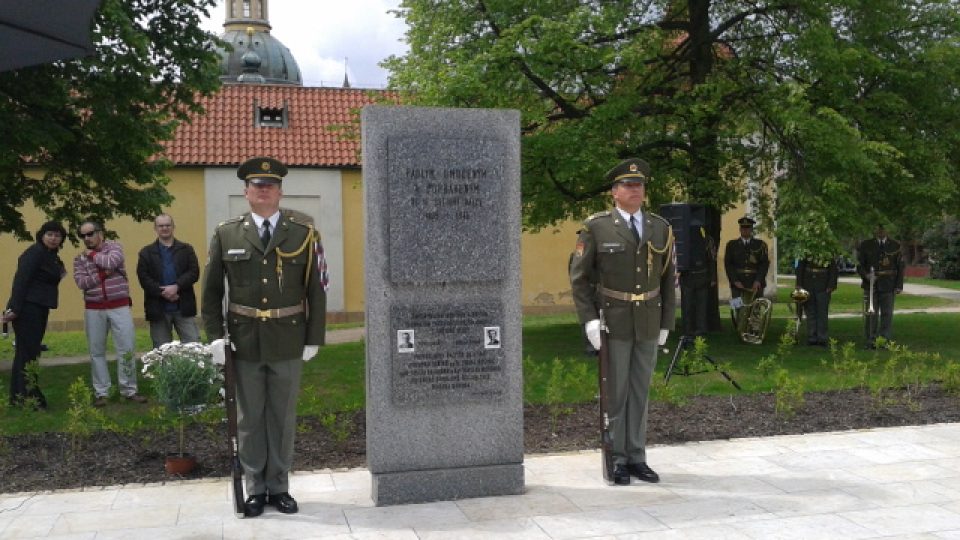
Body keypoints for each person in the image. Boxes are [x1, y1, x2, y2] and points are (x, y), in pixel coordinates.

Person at [202, 156, 327, 517]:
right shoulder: (227, 233)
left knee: (283, 416)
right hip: (244, 340)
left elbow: (316, 289)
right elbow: (211, 292)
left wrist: (313, 336)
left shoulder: (304, 233)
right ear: (246, 192)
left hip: (288, 338)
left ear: (280, 191)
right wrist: (215, 337)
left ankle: (280, 486)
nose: (264, 190)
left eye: (270, 185)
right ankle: (255, 489)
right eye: (257, 185)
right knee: (250, 417)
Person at [569, 158, 676, 486]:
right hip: (613, 320)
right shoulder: (596, 227)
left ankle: (636, 456)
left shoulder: (660, 227)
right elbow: (579, 278)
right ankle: (615, 458)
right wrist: (589, 322)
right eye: (628, 186)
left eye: (639, 185)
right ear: (614, 193)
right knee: (615, 393)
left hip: (647, 319)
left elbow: (668, 278)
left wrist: (666, 323)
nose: (635, 190)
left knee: (640, 391)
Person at [73, 219, 147, 407]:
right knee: (96, 351)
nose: (87, 238)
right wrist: (104, 274)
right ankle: (101, 392)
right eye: (83, 236)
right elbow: (82, 283)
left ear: (100, 233)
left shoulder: (115, 247)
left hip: (119, 305)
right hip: (94, 308)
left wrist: (92, 257)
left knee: (126, 348)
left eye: (90, 234)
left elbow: (112, 261)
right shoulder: (78, 259)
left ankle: (129, 390)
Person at [4, 221, 67, 409]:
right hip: (27, 309)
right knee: (28, 353)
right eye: (50, 234)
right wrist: (14, 308)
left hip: (38, 307)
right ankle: (28, 396)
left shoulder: (50, 256)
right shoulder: (34, 253)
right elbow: (21, 280)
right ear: (42, 235)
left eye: (58, 235)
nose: (54, 238)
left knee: (27, 353)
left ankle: (19, 396)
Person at [136, 214, 201, 348]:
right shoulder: (146, 252)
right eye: (161, 226)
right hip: (158, 309)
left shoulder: (186, 249)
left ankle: (194, 370)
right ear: (155, 228)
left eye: (167, 225)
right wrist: (163, 292)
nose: (164, 228)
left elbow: (194, 272)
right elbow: (144, 278)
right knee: (161, 351)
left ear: (173, 227)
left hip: (183, 306)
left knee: (194, 347)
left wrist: (177, 286)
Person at [857, 225, 904, 349]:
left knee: (887, 314)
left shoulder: (895, 245)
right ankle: (871, 340)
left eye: (883, 229)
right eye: (878, 228)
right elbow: (859, 264)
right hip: (871, 284)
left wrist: (899, 285)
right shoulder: (866, 245)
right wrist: (866, 276)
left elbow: (900, 267)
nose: (881, 231)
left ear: (887, 230)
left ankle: (884, 340)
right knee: (871, 314)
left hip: (889, 284)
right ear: (875, 230)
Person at [723, 216, 770, 321]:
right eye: (743, 228)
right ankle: (739, 330)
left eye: (748, 228)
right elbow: (728, 264)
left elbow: (764, 264)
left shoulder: (761, 245)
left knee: (755, 308)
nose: (745, 230)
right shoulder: (731, 245)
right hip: (737, 283)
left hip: (755, 282)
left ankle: (754, 331)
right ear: (740, 229)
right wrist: (735, 281)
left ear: (752, 229)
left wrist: (758, 280)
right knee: (737, 308)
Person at [679, 224, 717, 337]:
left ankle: (699, 329)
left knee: (699, 306)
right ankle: (689, 330)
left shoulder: (707, 241)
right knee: (688, 306)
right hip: (689, 277)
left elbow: (711, 260)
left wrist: (712, 277)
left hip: (700, 277)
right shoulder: (683, 239)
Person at [796, 257, 839, 346]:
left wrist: (831, 285)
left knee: (822, 312)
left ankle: (822, 338)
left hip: (824, 285)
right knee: (810, 311)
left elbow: (833, 269)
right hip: (808, 283)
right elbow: (800, 268)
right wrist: (799, 284)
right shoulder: (805, 250)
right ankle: (812, 337)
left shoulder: (828, 251)